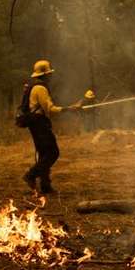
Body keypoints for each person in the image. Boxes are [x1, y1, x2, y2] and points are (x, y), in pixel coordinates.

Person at [21, 59, 79, 194]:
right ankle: (31, 175)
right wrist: (68, 109)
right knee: (53, 153)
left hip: (35, 123)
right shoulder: (40, 88)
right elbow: (50, 109)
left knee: (44, 153)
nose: (51, 76)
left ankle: (45, 186)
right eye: (49, 74)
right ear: (45, 75)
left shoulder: (33, 86)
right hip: (39, 123)